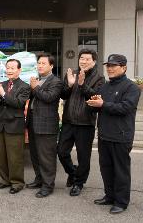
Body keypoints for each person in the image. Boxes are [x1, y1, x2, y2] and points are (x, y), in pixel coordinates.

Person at [87, 54, 140, 214]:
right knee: (106, 168)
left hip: (121, 136)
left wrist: (103, 104)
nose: (109, 68)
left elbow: (125, 108)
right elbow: (99, 106)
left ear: (123, 67)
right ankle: (109, 196)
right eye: (108, 66)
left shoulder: (132, 88)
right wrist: (93, 104)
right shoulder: (104, 87)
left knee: (121, 171)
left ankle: (121, 202)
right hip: (104, 135)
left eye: (113, 66)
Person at [58, 49, 105, 196]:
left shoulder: (99, 78)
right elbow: (63, 95)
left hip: (86, 123)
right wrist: (71, 85)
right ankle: (73, 172)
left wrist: (82, 84)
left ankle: (79, 183)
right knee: (61, 152)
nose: (83, 61)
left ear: (94, 61)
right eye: (81, 58)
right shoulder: (72, 74)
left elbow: (95, 97)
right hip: (68, 121)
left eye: (87, 59)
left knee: (83, 156)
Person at [26, 53, 62, 198]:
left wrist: (35, 88)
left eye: (43, 63)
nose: (40, 66)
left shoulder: (56, 82)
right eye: (39, 63)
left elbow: (49, 98)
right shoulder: (38, 80)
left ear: (51, 66)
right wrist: (33, 87)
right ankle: (39, 179)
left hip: (47, 125)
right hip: (33, 122)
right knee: (35, 155)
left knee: (46, 156)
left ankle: (48, 185)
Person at [0, 59, 30, 194]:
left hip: (15, 125)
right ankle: (4, 180)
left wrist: (3, 94)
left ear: (19, 70)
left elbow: (19, 104)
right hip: (1, 124)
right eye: (8, 68)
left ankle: (17, 182)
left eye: (13, 68)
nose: (9, 70)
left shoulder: (25, 86)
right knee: (1, 156)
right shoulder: (2, 84)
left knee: (15, 156)